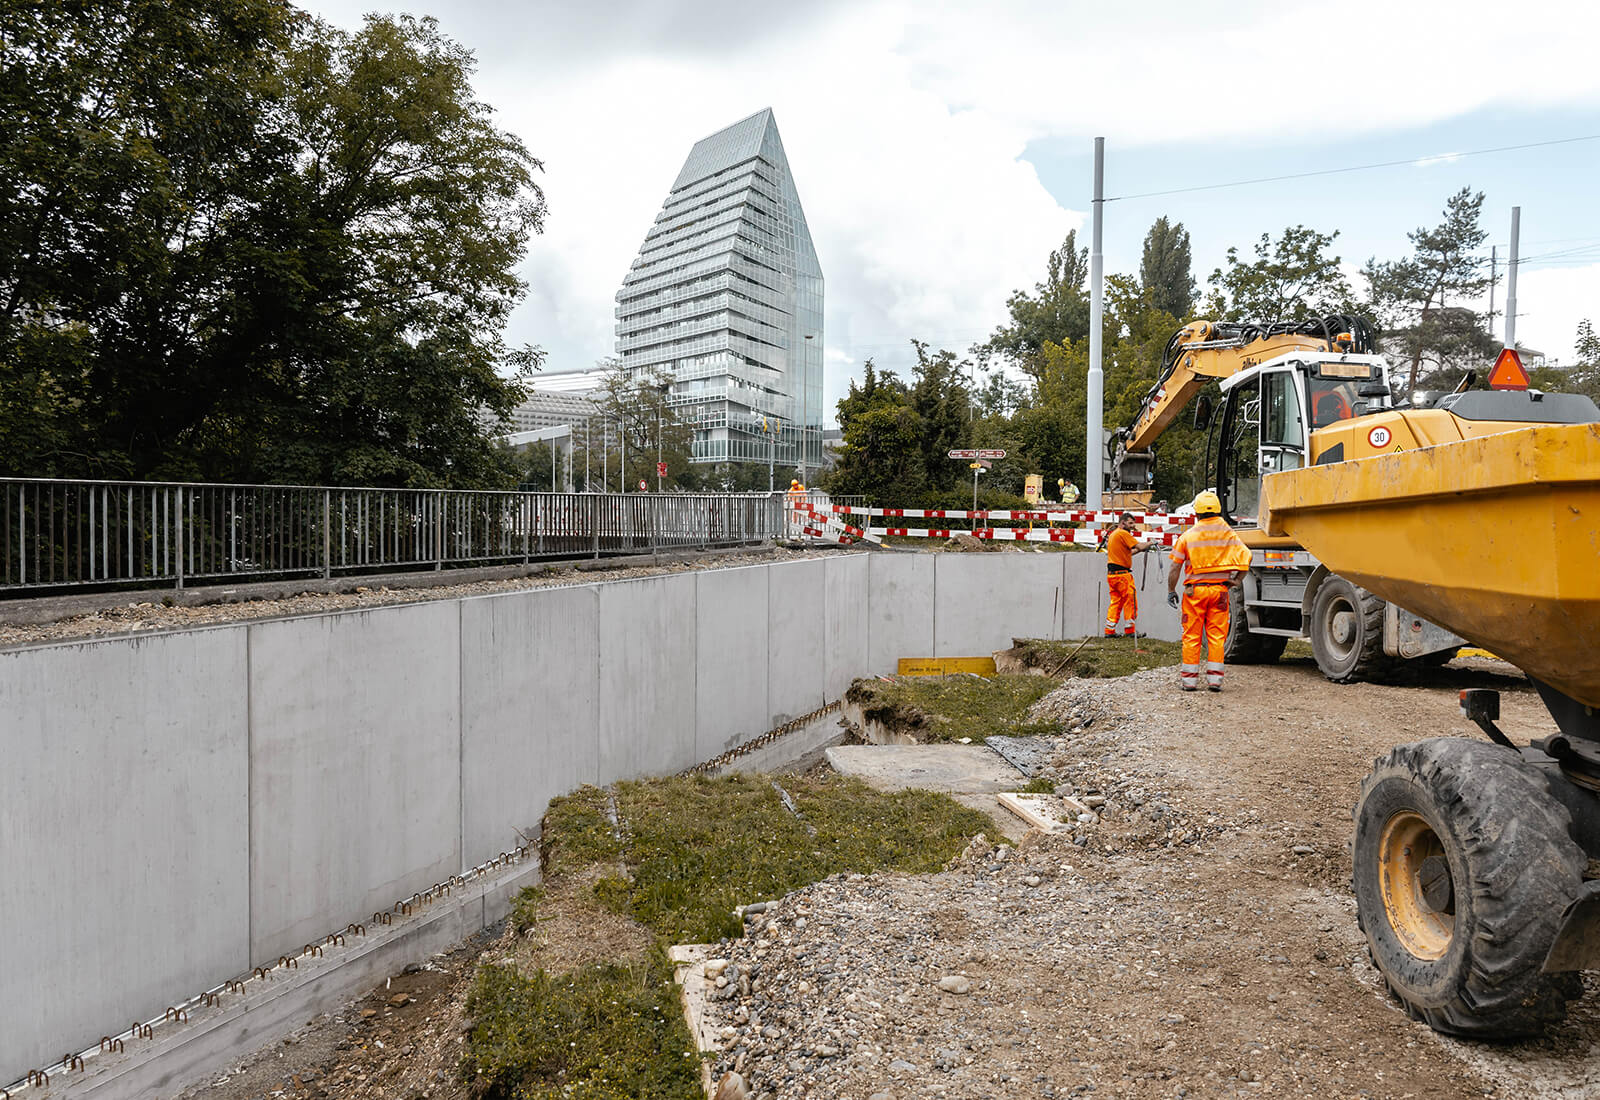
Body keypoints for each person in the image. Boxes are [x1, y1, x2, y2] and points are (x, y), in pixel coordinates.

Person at [1166, 490, 1251, 692]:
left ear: (1197, 512)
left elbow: (1175, 567)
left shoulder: (1188, 536)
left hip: (1194, 592)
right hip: (1220, 592)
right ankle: (1215, 681)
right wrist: (1236, 580)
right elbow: (1246, 557)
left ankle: (1189, 681)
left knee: (1192, 636)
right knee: (1216, 636)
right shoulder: (1228, 534)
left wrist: (1171, 590)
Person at [1101, 512, 1149, 637]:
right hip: (1123, 575)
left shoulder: (1114, 534)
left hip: (1112, 575)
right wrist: (1151, 543)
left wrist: (1140, 549)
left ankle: (1109, 630)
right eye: (1130, 523)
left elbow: (1128, 553)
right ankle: (1130, 630)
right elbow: (1139, 545)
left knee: (1116, 602)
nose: (1133, 526)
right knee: (1130, 601)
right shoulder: (1123, 533)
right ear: (1123, 523)